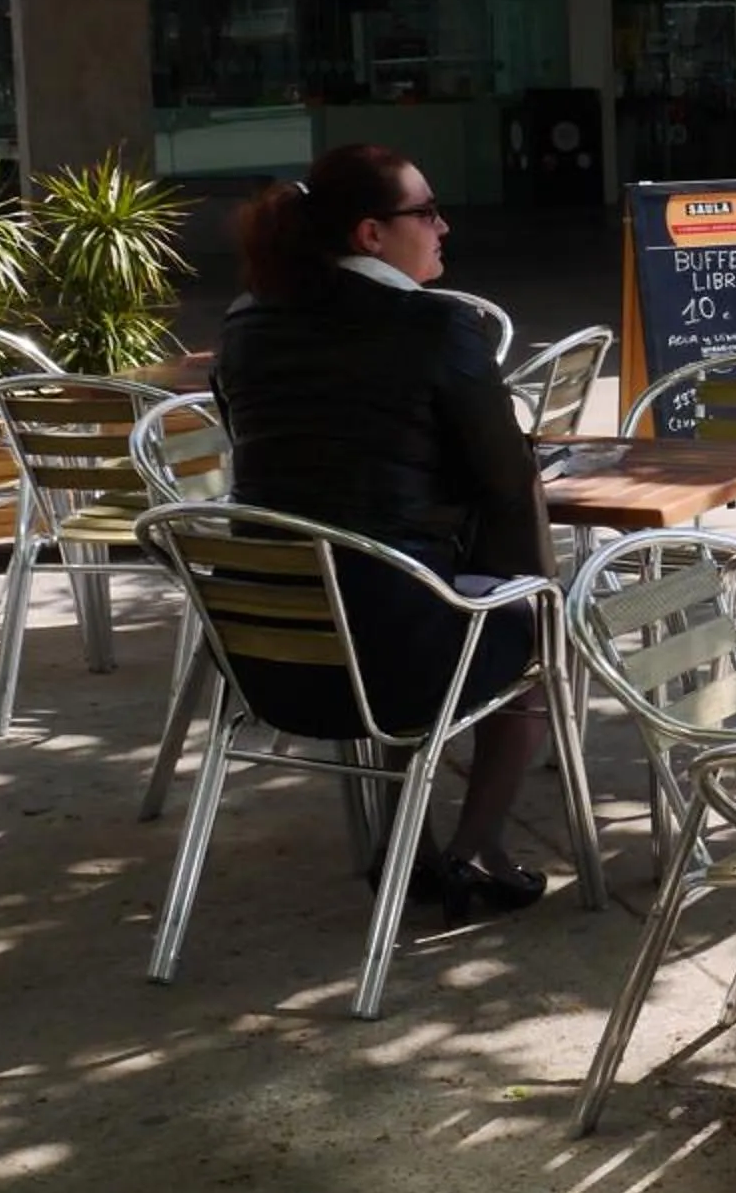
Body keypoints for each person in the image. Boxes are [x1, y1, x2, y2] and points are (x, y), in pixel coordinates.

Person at [216, 145, 554, 920]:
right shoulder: (438, 327)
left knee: (423, 605)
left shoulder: (245, 324)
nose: (442, 226)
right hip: (391, 649)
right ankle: (477, 850)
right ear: (371, 234)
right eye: (425, 211)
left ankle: (409, 849)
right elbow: (506, 479)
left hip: (263, 655)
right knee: (522, 629)